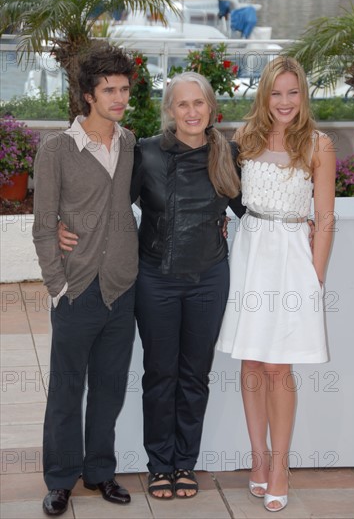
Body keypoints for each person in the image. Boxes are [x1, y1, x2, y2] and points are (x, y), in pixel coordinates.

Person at [60, 71, 246, 499]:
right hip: (156, 279)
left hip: (209, 279)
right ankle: (159, 465)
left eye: (198, 103)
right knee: (160, 374)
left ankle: (186, 463)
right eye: (182, 104)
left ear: (210, 107)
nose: (192, 112)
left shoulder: (228, 153)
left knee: (194, 375)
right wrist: (58, 222)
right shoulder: (145, 153)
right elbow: (105, 202)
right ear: (170, 110)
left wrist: (301, 221)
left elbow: (250, 209)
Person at [217, 56, 336, 512]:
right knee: (250, 363)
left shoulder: (319, 144)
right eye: (276, 92)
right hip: (249, 255)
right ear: (264, 94)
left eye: (293, 92)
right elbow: (227, 197)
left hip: (292, 261)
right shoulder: (243, 138)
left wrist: (316, 276)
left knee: (278, 368)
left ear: (303, 95)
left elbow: (324, 218)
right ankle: (258, 458)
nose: (285, 101)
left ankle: (282, 465)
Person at [33, 42, 138, 516]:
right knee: (67, 388)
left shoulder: (131, 142)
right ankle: (59, 479)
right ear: (87, 96)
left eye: (124, 88)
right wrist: (57, 285)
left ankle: (99, 472)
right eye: (109, 90)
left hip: (122, 285)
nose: (119, 97)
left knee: (111, 387)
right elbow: (42, 225)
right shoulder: (57, 149)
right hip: (76, 289)